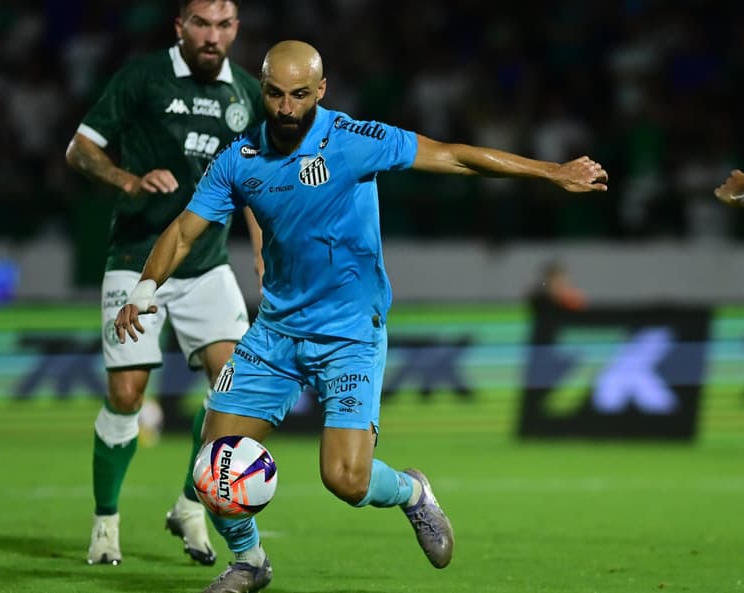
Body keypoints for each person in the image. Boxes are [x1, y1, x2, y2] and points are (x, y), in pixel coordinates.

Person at [115, 40, 609, 593]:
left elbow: (453, 156)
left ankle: (412, 491)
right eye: (275, 94)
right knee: (213, 463)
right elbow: (185, 231)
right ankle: (249, 562)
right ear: (262, 90)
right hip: (276, 331)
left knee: (346, 479)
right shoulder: (240, 159)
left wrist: (551, 172)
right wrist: (144, 287)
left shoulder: (354, 140)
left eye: (300, 94)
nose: (286, 107)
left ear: (321, 90)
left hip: (349, 334)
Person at [64, 0, 264, 567]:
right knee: (127, 395)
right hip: (137, 257)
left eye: (223, 25)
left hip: (206, 263)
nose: (212, 35)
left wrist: (262, 248)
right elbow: (80, 149)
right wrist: (128, 180)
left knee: (234, 389)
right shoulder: (142, 78)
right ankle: (106, 522)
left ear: (235, 29)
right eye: (201, 23)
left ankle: (189, 504)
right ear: (180, 27)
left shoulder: (247, 93)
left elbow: (257, 176)